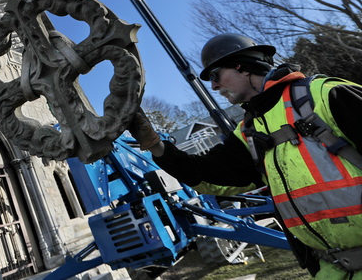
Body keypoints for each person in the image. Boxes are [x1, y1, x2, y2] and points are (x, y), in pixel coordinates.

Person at [129, 33, 362, 279]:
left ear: (242, 66)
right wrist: (154, 144)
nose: (214, 86)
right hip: (331, 269)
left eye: (216, 75)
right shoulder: (249, 131)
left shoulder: (324, 95)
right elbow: (207, 174)